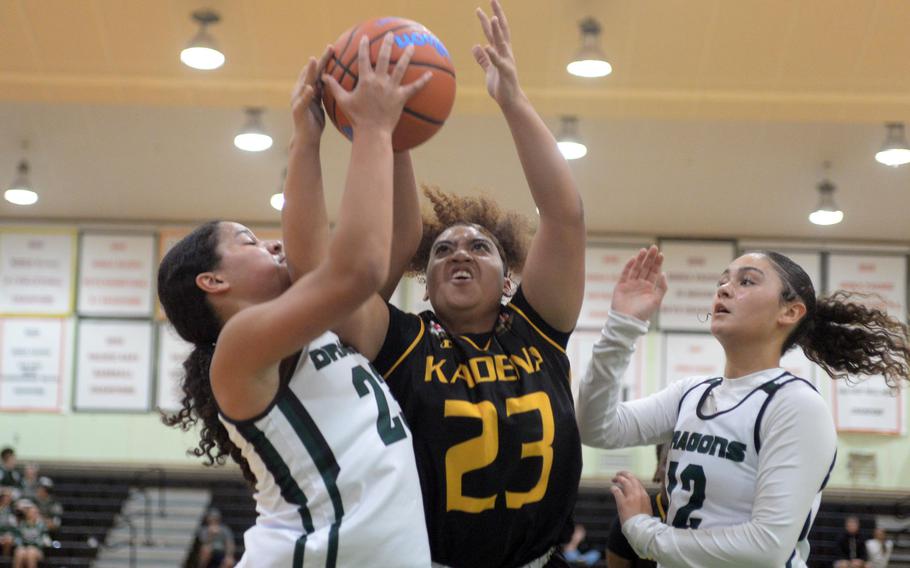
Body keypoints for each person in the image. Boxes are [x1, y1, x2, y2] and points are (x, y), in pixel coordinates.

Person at [327, 2, 587, 565]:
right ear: (425, 284)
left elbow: (564, 215)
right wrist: (391, 141)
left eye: (479, 247)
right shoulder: (403, 343)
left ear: (510, 279)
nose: (459, 254)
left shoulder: (537, 334)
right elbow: (354, 279)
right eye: (443, 249)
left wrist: (513, 100)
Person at [158, 35, 432, 567]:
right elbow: (357, 269)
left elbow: (398, 239)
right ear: (213, 282)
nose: (274, 244)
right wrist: (371, 129)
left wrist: (385, 138)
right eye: (249, 241)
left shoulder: (326, 329)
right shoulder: (237, 351)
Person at [577, 247, 910, 568]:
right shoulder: (690, 393)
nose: (724, 288)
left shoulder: (795, 405)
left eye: (746, 281)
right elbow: (596, 427)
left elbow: (764, 548)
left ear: (789, 312)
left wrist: (642, 531)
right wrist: (622, 326)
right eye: (722, 280)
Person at [605, 444, 670, 568]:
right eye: (668, 462)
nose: (677, 471)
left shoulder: (710, 517)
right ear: (657, 469)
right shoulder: (631, 516)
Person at [11, 501, 48, 568]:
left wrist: (32, 545)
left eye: (35, 512)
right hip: (24, 548)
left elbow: (44, 539)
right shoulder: (21, 524)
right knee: (19, 552)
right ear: (27, 513)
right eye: (31, 512)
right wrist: (22, 546)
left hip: (37, 549)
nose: (33, 514)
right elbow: (17, 538)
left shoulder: (41, 525)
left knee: (31, 552)